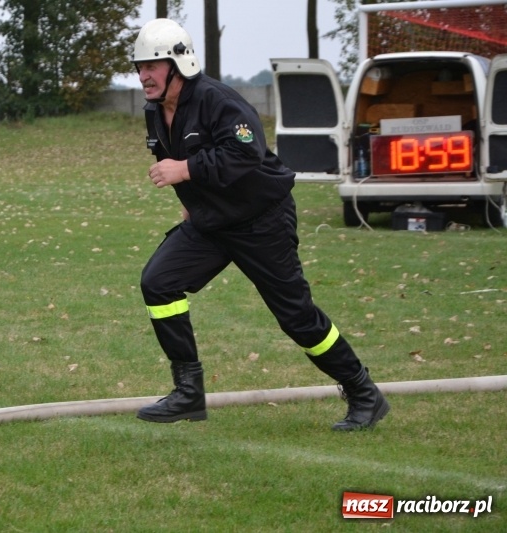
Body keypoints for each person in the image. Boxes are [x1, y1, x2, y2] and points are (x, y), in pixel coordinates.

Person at [131, 18, 390, 431]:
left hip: (261, 221)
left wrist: (186, 170)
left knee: (297, 318)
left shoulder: (218, 100)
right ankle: (188, 393)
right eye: (140, 66)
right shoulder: (154, 111)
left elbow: (245, 154)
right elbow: (183, 159)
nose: (144, 75)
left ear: (180, 64)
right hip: (212, 223)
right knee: (158, 282)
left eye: (153, 65)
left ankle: (363, 393)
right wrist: (192, 201)